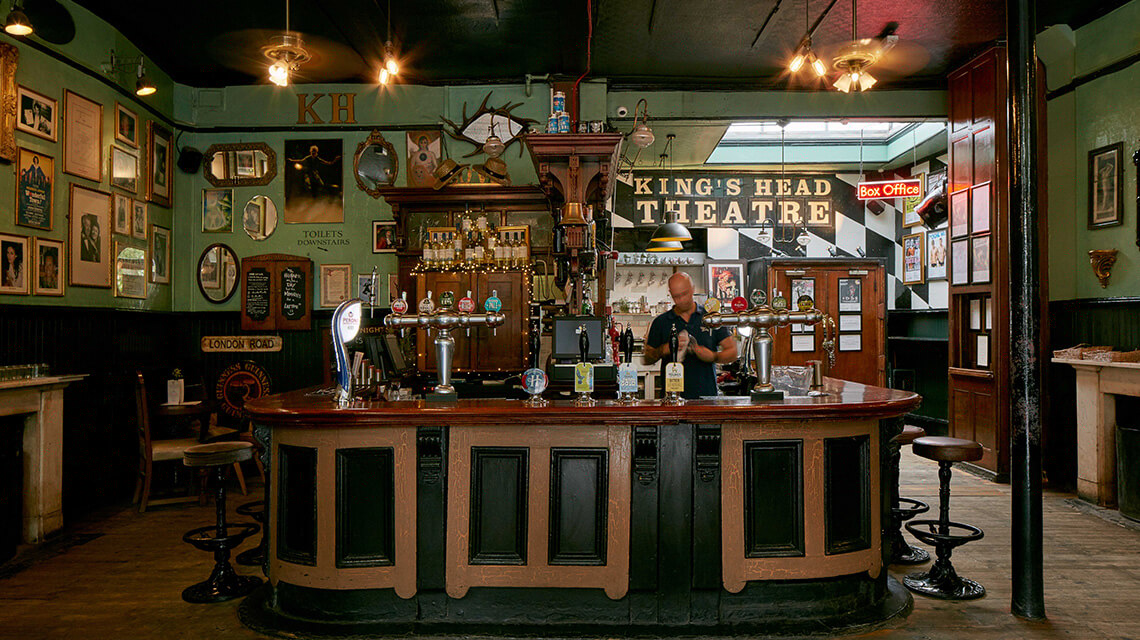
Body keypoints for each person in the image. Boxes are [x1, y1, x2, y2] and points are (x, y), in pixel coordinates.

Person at [643, 272, 738, 399]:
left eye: (685, 294)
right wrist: (664, 349)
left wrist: (713, 356)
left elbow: (732, 352)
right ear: (670, 294)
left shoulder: (710, 318)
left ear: (692, 289)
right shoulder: (661, 322)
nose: (681, 300)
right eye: (676, 296)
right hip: (672, 399)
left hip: (706, 399)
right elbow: (647, 359)